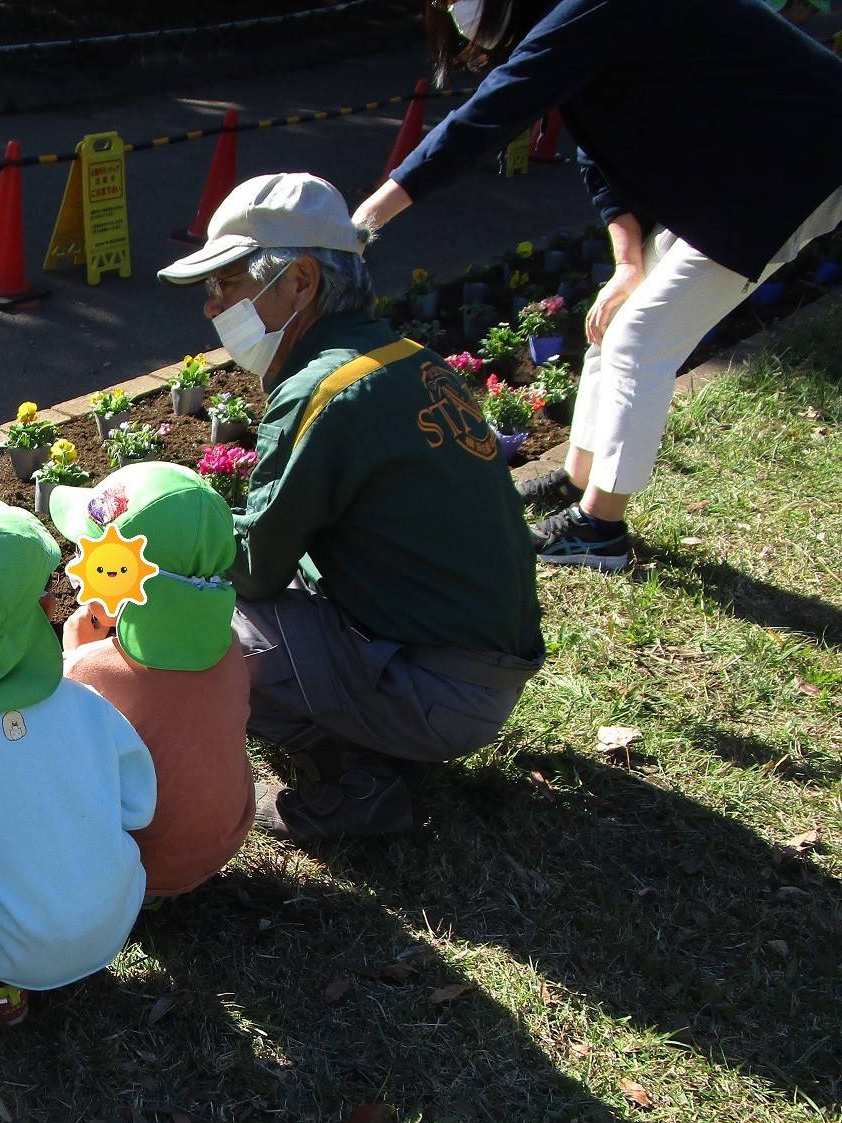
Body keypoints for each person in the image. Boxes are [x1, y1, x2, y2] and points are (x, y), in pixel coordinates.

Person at [351, 0, 842, 570]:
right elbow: (597, 149)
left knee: (641, 337)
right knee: (616, 322)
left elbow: (490, 114)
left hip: (797, 161)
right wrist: (628, 263)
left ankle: (600, 530)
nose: (454, 13)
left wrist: (364, 220)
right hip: (743, 168)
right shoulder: (573, 26)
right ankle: (576, 480)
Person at [158, 172, 544, 840]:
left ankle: (362, 776)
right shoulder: (403, 358)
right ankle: (378, 735)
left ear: (300, 281)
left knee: (201, 627)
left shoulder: (325, 388)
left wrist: (162, 545)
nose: (211, 306)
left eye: (226, 284)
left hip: (442, 693)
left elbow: (251, 568)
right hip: (478, 671)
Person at [0, 499, 157, 1026]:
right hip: (113, 919)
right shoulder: (87, 704)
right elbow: (139, 809)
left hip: (7, 947)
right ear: (45, 611)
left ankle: (2, 991)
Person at [54, 463, 255, 891]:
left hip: (143, 869)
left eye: (90, 561)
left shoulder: (89, 672)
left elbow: (62, 740)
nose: (76, 567)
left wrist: (74, 650)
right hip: (224, 839)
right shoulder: (231, 647)